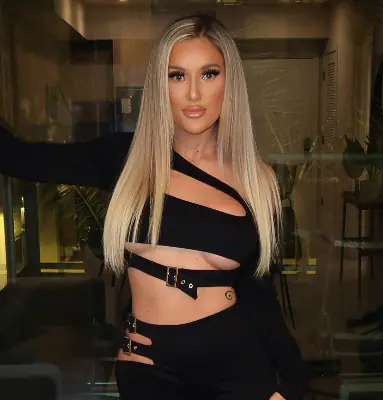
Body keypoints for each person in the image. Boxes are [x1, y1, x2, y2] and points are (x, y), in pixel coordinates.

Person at [0, 14, 309, 400]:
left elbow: (258, 292)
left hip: (235, 368)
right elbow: (19, 157)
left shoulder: (254, 178)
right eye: (177, 75)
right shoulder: (125, 159)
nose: (193, 93)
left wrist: (292, 384)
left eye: (209, 74)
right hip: (148, 371)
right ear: (160, 85)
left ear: (230, 82)